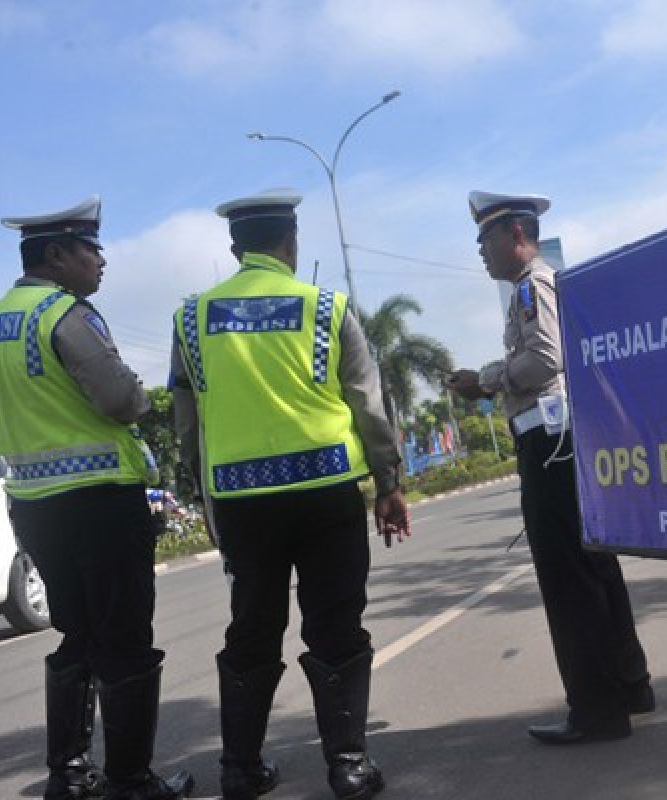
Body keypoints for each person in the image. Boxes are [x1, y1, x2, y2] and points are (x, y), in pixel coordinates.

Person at [170, 189, 409, 799]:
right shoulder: (326, 306)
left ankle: (240, 771)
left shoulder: (192, 318)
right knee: (335, 623)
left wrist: (205, 496)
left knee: (252, 626)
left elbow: (186, 422)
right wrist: (389, 484)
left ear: (234, 247)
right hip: (326, 491)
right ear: (291, 243)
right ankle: (349, 768)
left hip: (242, 501)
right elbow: (369, 404)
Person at [0, 197, 194, 800]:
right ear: (57, 255)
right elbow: (120, 401)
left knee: (77, 637)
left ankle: (66, 774)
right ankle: (130, 781)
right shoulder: (67, 315)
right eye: (93, 250)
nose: (101, 263)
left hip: (34, 509)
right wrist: (144, 401)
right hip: (99, 501)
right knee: (125, 643)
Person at [445, 191, 653, 744]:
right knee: (597, 566)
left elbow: (544, 360)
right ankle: (630, 684)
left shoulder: (530, 286)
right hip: (565, 439)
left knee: (569, 581)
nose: (481, 253)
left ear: (516, 235)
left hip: (550, 443)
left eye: (486, 239)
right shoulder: (538, 283)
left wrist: (485, 380)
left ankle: (597, 710)